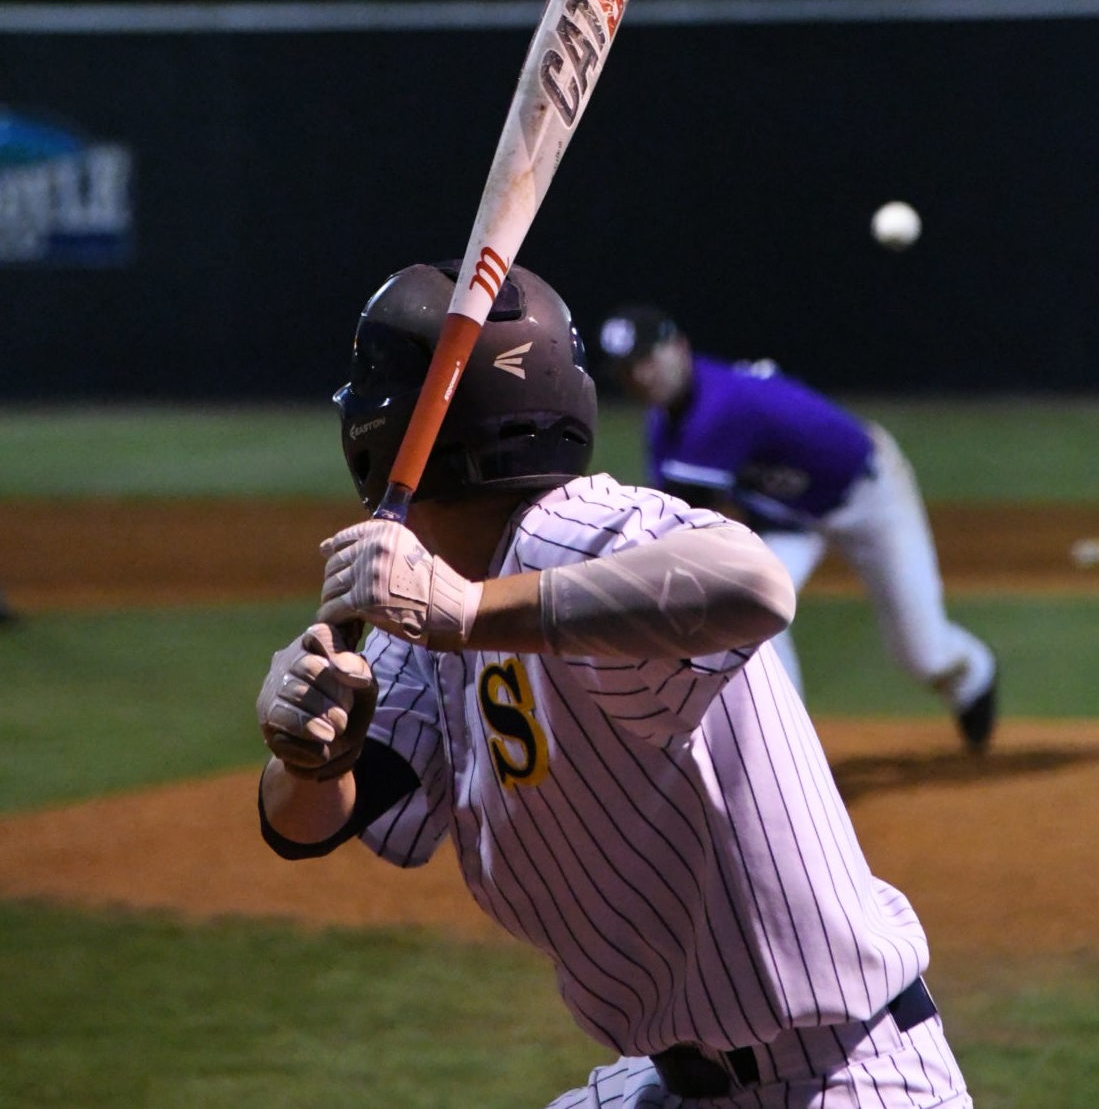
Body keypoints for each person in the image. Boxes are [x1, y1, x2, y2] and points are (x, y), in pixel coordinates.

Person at [255, 259, 974, 1109]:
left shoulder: (574, 531)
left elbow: (753, 582)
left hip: (839, 1082)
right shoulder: (430, 609)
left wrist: (468, 610)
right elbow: (311, 824)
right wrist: (310, 758)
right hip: (679, 1082)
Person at [595, 304, 998, 750]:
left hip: (869, 497)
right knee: (753, 606)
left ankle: (975, 674)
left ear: (679, 347)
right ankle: (788, 744)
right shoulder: (665, 423)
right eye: (627, 369)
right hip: (791, 518)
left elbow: (681, 520)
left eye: (647, 359)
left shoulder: (720, 406)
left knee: (922, 652)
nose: (641, 376)